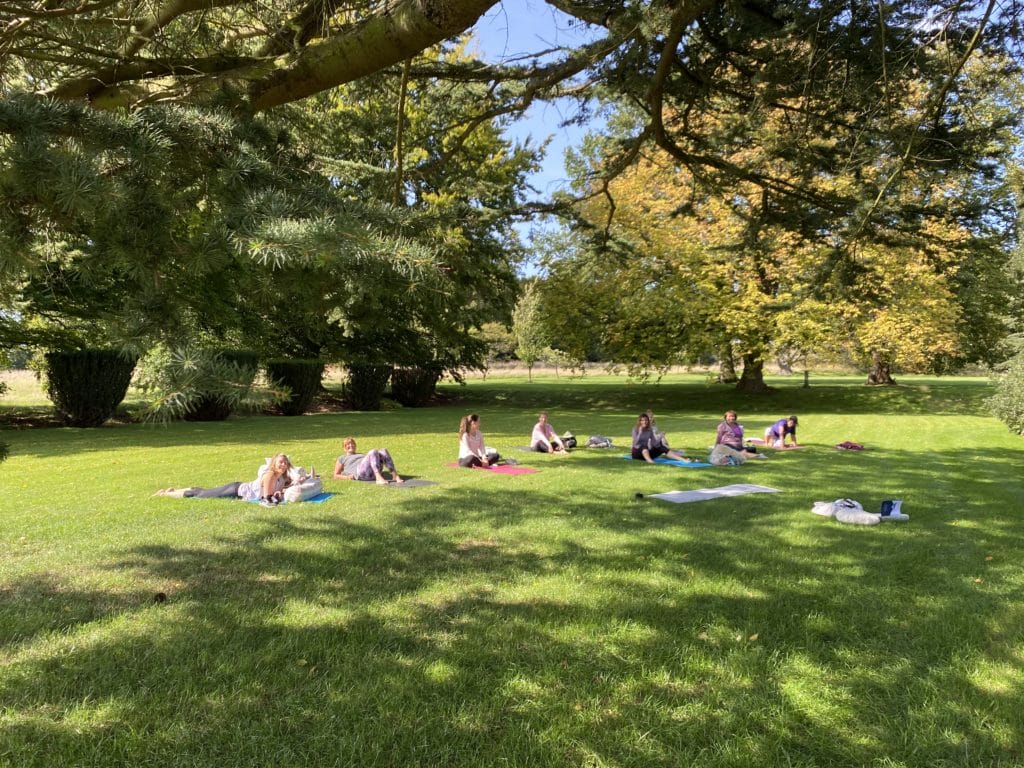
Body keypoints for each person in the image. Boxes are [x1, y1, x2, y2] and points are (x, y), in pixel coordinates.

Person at [153, 452, 300, 507]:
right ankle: (165, 494)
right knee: (202, 495)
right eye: (280, 462)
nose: (283, 465)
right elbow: (266, 498)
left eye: (285, 463)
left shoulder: (282, 478)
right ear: (274, 463)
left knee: (205, 492)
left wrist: (281, 493)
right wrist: (275, 499)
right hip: (235, 490)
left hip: (238, 489)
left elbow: (278, 492)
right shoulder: (270, 475)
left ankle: (176, 490)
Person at [333, 437, 404, 484]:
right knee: (373, 451)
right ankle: (378, 478)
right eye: (348, 444)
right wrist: (347, 477)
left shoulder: (361, 455)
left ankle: (395, 475)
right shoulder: (342, 458)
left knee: (383, 450)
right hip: (360, 473)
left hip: (371, 472)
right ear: (344, 448)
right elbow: (336, 475)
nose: (351, 445)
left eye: (352, 444)